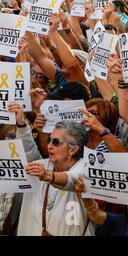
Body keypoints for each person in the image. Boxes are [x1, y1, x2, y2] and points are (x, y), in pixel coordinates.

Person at [9, 99, 94, 235]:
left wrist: (47, 176)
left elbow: (71, 178)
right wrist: (21, 123)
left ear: (73, 150)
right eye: (49, 140)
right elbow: (28, 150)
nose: (49, 146)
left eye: (56, 142)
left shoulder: (86, 167)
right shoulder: (42, 165)